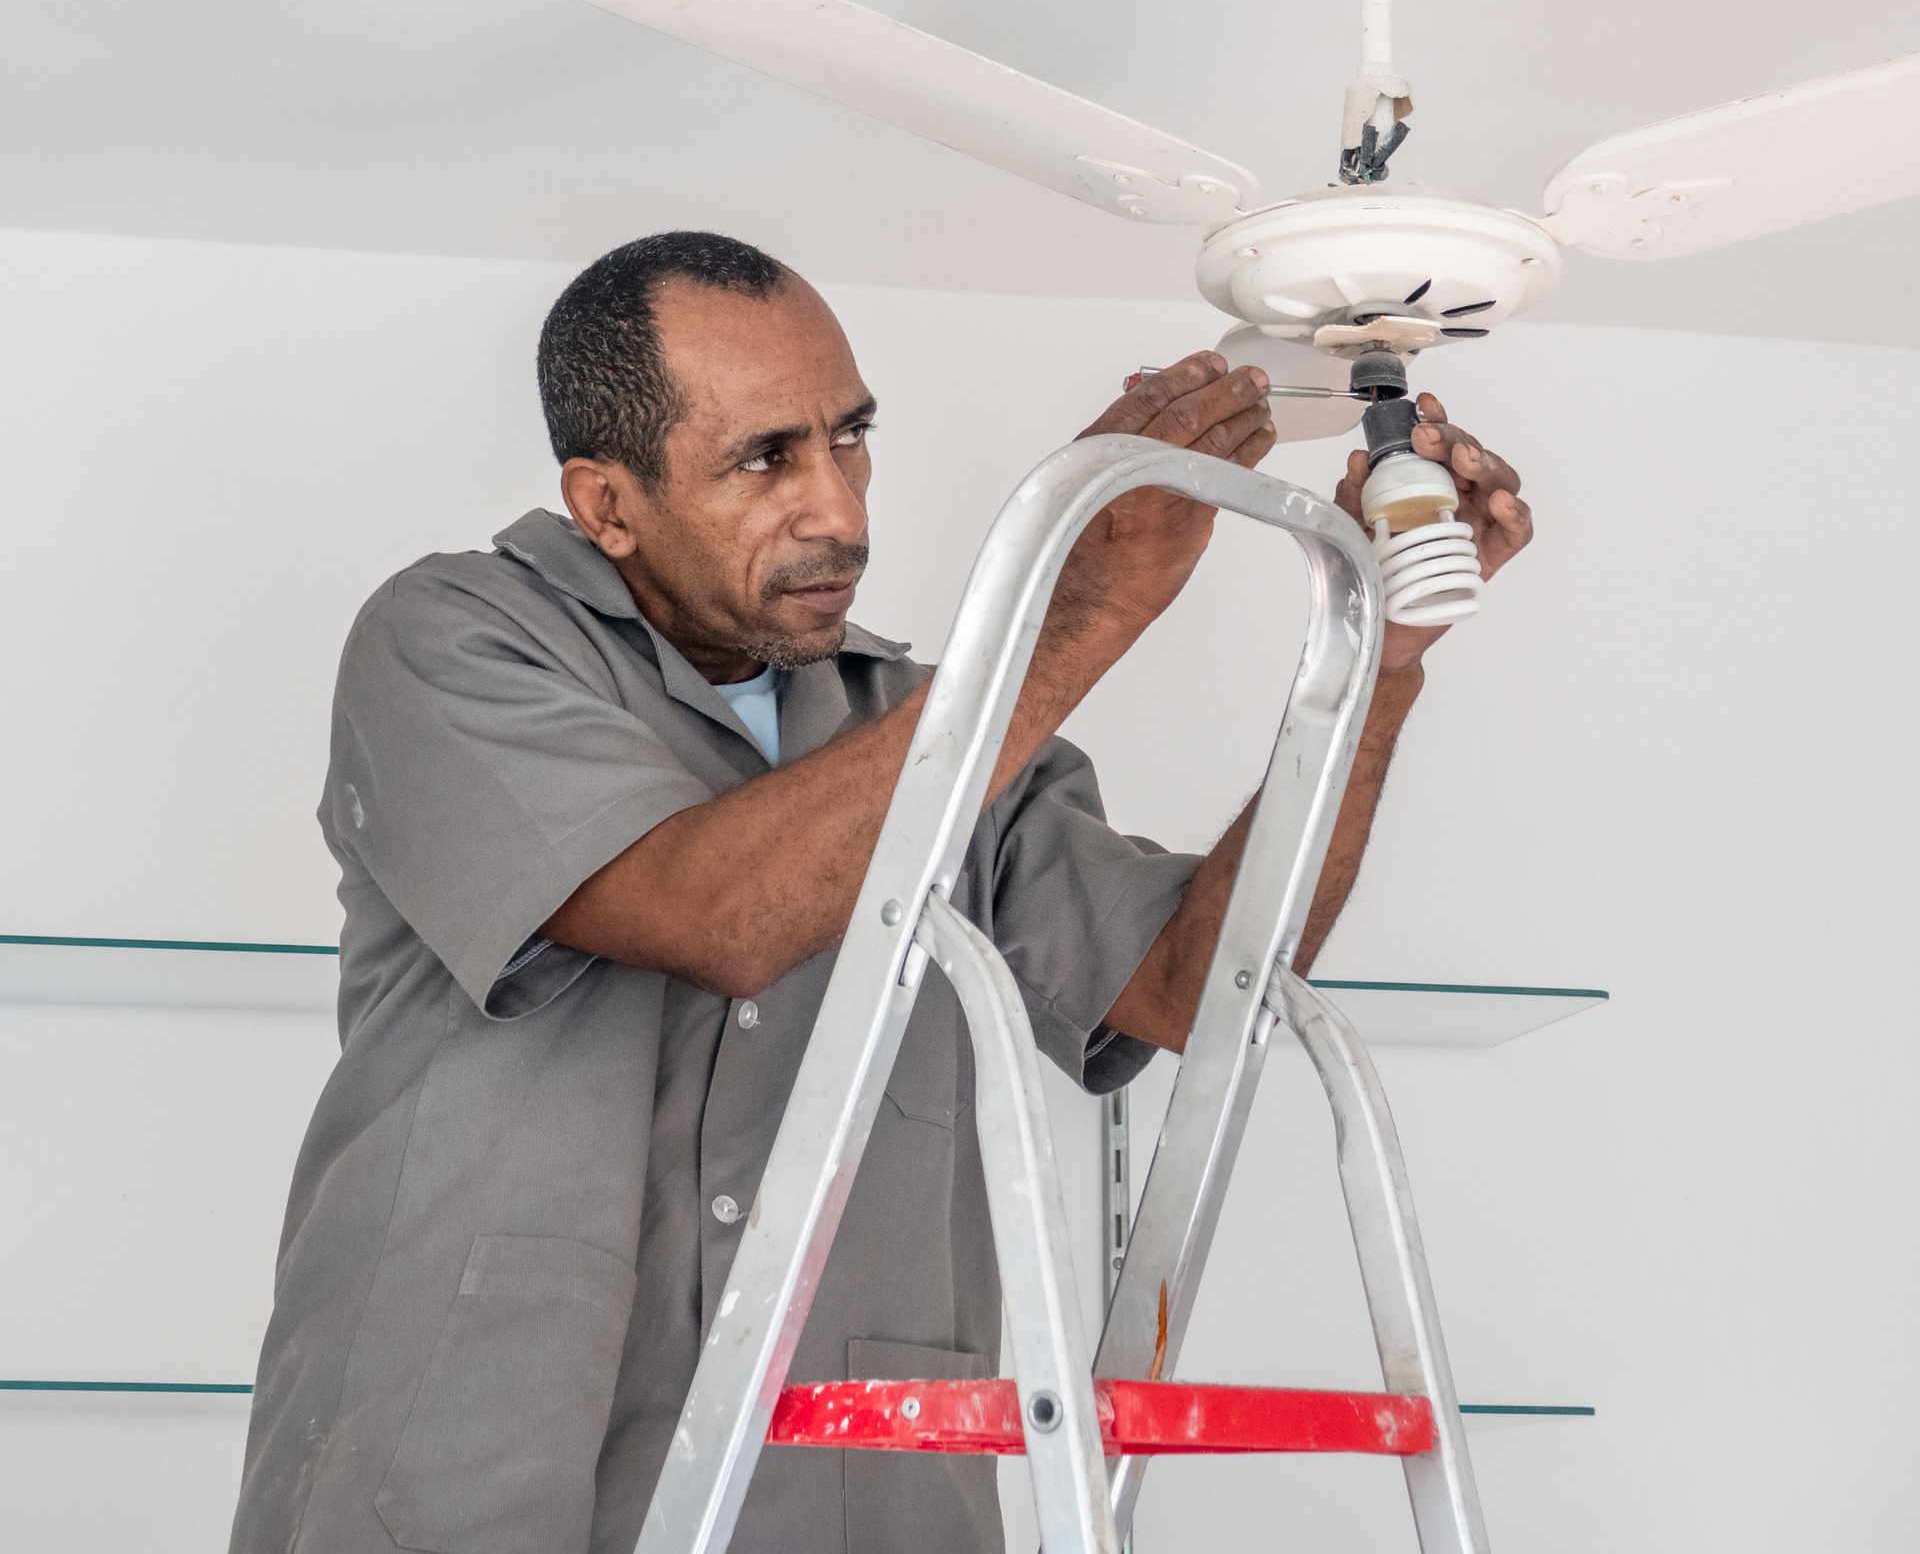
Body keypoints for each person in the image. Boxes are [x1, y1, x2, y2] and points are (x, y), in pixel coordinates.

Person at [230, 231, 1531, 1554]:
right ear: (608, 504)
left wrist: (1385, 660)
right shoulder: (451, 643)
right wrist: (1068, 618)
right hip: (467, 1493)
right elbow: (717, 916)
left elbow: (1201, 989)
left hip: (847, 1505)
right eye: (765, 459)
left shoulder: (931, 725)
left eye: (849, 438)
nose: (840, 510)